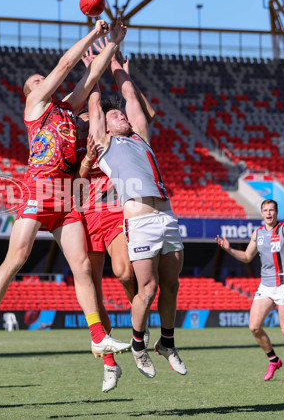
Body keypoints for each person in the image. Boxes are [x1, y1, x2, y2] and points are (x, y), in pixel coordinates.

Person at [0, 19, 131, 360]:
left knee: (83, 267)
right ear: (29, 93)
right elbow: (65, 65)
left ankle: (99, 336)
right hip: (38, 189)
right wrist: (95, 33)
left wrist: (112, 44)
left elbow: (89, 78)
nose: (43, 81)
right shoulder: (35, 108)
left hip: (65, 195)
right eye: (36, 82)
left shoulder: (65, 109)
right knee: (16, 258)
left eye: (42, 79)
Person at [88, 46, 188, 380]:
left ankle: (168, 343)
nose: (123, 117)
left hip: (167, 217)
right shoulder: (104, 145)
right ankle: (137, 345)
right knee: (147, 289)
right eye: (116, 116)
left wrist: (117, 66)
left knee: (171, 285)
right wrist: (97, 68)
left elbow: (129, 93)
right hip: (140, 220)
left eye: (124, 115)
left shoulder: (141, 136)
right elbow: (95, 105)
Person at [215, 199, 284, 382]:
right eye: (265, 210)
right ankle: (273, 360)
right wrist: (228, 249)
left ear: (276, 212)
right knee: (254, 327)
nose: (268, 213)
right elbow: (246, 257)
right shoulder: (257, 233)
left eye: (272, 210)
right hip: (266, 286)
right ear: (261, 213)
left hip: (283, 284)